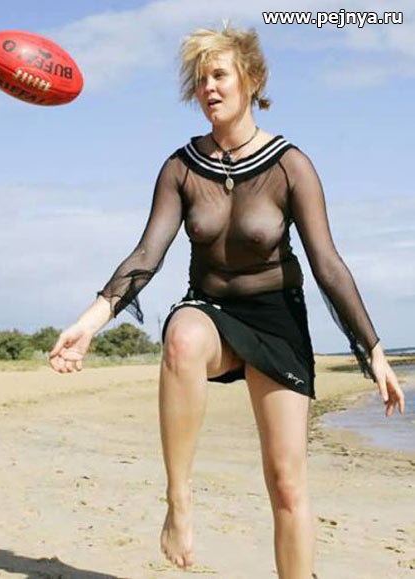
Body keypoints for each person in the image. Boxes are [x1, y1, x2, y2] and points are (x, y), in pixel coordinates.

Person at [49, 23, 405, 577]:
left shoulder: (290, 165)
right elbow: (146, 255)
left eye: (219, 75)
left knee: (287, 485)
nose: (208, 88)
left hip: (277, 320)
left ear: (251, 79)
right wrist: (89, 322)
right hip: (212, 312)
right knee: (182, 336)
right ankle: (179, 502)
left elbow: (328, 264)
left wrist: (374, 352)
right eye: (200, 79)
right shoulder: (181, 167)